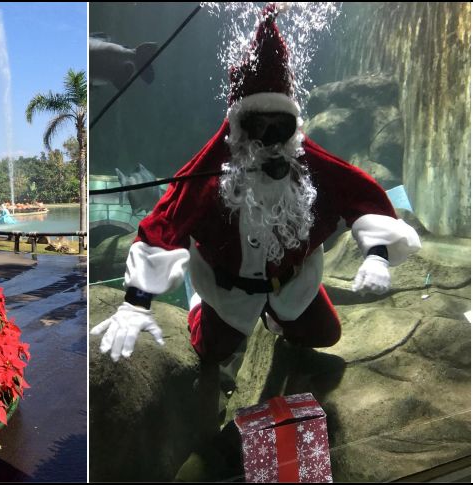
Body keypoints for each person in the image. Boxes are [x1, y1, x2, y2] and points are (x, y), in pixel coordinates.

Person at [90, 3, 421, 366]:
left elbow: (362, 195)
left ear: (293, 125)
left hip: (294, 285)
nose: (270, 142)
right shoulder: (214, 165)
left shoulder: (306, 158)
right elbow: (165, 222)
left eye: (280, 127)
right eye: (256, 127)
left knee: (326, 335)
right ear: (237, 126)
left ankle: (276, 319)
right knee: (211, 353)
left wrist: (377, 256)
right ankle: (201, 307)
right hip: (229, 291)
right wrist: (136, 303)